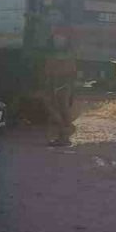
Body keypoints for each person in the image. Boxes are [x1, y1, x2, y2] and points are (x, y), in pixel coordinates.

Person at [42, 14, 79, 147]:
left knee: (58, 104)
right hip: (61, 73)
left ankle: (65, 132)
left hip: (61, 74)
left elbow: (60, 54)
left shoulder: (60, 34)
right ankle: (65, 131)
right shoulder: (63, 33)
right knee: (58, 104)